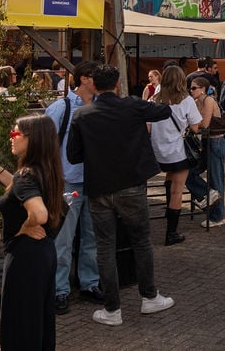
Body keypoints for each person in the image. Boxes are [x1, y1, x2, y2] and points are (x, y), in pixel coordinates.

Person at [66, 64, 176, 326]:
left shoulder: (82, 115)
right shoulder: (133, 106)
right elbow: (164, 111)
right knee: (141, 241)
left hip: (98, 188)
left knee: (104, 246)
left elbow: (73, 155)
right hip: (131, 185)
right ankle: (149, 296)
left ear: (93, 85)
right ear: (117, 84)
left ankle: (112, 309)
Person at [0, 115, 63, 350]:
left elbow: (38, 213)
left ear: (32, 139)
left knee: (20, 325)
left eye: (15, 133)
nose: (11, 137)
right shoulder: (46, 169)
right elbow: (21, 192)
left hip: (24, 256)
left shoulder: (26, 174)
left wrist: (24, 227)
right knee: (37, 321)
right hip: (43, 254)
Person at [44, 61, 103, 314]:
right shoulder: (60, 107)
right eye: (96, 77)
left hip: (95, 181)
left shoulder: (102, 106)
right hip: (68, 181)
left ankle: (89, 283)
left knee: (92, 237)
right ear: (84, 79)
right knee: (63, 239)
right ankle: (60, 290)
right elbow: (46, 145)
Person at [150, 65, 203, 245]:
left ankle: (168, 211)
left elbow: (147, 127)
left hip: (157, 151)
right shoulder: (186, 101)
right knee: (177, 190)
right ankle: (171, 233)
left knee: (169, 180)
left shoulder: (153, 100)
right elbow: (195, 127)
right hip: (177, 152)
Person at [189, 76, 225, 228]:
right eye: (190, 88)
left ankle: (217, 217)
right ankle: (207, 194)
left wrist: (191, 122)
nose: (191, 91)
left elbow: (203, 123)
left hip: (216, 142)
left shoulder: (208, 100)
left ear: (203, 89)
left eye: (194, 88)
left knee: (216, 179)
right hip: (205, 142)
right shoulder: (196, 102)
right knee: (190, 172)